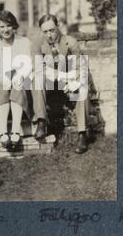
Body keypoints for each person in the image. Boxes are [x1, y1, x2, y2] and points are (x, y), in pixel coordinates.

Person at [31, 14, 89, 154]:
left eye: (52, 30)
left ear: (58, 27)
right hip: (50, 82)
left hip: (67, 82)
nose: (49, 35)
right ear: (41, 31)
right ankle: (41, 121)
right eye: (45, 32)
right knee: (37, 79)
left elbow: (79, 68)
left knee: (82, 88)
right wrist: (58, 75)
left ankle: (82, 134)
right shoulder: (37, 44)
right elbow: (38, 68)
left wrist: (73, 80)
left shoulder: (71, 42)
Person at [0, 10, 33, 150]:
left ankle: (16, 131)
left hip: (19, 78)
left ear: (14, 26)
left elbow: (28, 64)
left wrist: (20, 75)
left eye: (8, 26)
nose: (6, 30)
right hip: (0, 78)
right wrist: (0, 77)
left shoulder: (24, 42)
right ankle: (3, 132)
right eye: (2, 26)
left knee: (18, 85)